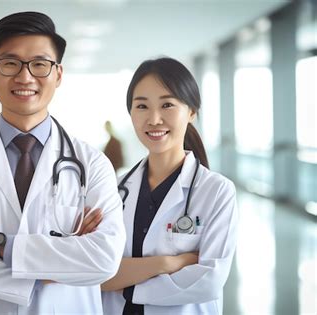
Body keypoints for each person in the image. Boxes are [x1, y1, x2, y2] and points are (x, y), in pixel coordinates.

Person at [0, 11, 126, 314]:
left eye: (40, 64)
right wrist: (50, 270)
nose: (25, 76)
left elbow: (104, 259)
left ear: (58, 75)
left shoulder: (92, 165)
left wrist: (0, 245)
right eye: (10, 63)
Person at [101, 57, 238, 314]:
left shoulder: (217, 191)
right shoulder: (114, 189)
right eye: (141, 106)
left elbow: (209, 281)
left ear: (191, 112)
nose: (154, 119)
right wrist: (167, 263)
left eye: (167, 105)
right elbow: (97, 269)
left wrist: (128, 285)